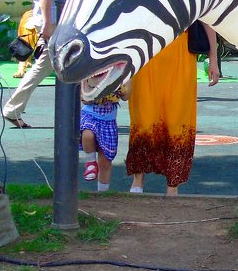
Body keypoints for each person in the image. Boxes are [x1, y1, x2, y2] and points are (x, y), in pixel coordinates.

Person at [126, 22, 220, 196]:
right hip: (147, 53)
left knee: (177, 120)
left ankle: (173, 184)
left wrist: (213, 58)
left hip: (180, 52)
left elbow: (207, 20)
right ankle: (137, 179)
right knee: (143, 118)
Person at [3, 0, 62, 128]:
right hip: (52, 21)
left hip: (51, 20)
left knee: (48, 65)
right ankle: (12, 108)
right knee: (45, 66)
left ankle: (13, 108)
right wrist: (47, 24)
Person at [80, 80, 129, 191]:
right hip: (90, 115)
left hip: (108, 121)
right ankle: (91, 162)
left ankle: (102, 192)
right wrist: (98, 90)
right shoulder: (92, 71)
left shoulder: (122, 72)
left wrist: (121, 88)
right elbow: (84, 98)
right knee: (87, 133)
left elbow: (126, 96)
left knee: (105, 162)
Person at [13, 9, 39, 78]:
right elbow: (22, 48)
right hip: (32, 25)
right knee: (24, 43)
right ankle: (22, 67)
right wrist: (21, 69)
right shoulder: (29, 31)